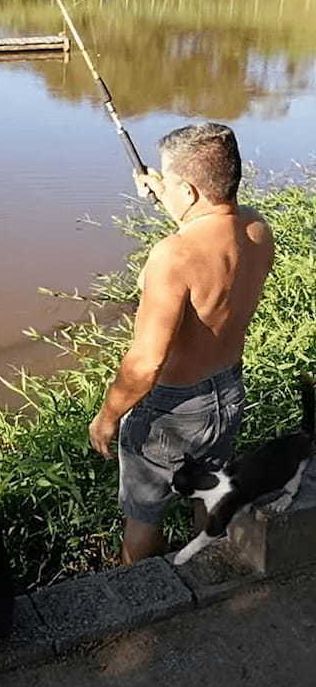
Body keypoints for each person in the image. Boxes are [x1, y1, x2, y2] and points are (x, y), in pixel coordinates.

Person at [88, 123, 274, 565]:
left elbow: (145, 363)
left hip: (171, 411)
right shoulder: (257, 229)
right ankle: (205, 568)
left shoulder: (172, 255)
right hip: (227, 394)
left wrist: (107, 416)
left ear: (190, 191)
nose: (162, 188)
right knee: (205, 494)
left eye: (170, 182)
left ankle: (142, 595)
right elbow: (211, 226)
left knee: (144, 515)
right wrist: (168, 189)